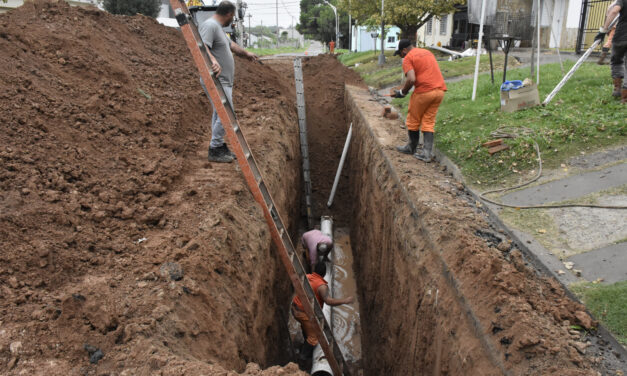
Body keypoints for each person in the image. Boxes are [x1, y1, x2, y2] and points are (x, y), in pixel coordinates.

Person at [199, 1, 258, 163]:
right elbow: (202, 46)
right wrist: (212, 61)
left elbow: (231, 45)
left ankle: (218, 144)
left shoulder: (218, 28)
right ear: (229, 14)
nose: (233, 21)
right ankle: (215, 148)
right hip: (217, 80)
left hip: (224, 81)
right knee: (227, 113)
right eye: (233, 17)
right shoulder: (210, 26)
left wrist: (246, 53)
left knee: (219, 113)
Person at [393, 39, 447, 162]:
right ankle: (427, 153)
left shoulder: (408, 58)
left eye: (401, 54)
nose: (402, 57)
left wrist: (402, 92)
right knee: (428, 121)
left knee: (413, 119)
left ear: (404, 50)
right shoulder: (427, 52)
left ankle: (411, 147)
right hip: (439, 91)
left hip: (424, 92)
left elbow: (411, 79)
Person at [291, 262, 353, 360]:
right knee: (314, 338)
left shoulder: (307, 277)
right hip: (303, 313)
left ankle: (305, 339)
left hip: (294, 308)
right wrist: (345, 301)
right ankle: (303, 358)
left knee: (306, 326)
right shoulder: (322, 286)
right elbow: (329, 301)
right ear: (324, 274)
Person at [595, 0, 627, 102]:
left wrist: (603, 30)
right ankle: (624, 97)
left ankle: (617, 89)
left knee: (616, 61)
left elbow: (613, 11)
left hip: (620, 37)